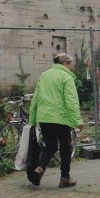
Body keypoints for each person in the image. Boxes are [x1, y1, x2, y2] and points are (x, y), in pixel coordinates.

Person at [27, 52, 82, 187]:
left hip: (44, 117)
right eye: (70, 65)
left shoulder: (44, 75)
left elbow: (36, 98)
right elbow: (71, 101)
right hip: (61, 118)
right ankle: (65, 178)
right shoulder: (66, 77)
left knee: (50, 145)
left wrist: (32, 119)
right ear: (66, 64)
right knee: (65, 147)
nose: (71, 68)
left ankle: (39, 168)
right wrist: (77, 121)